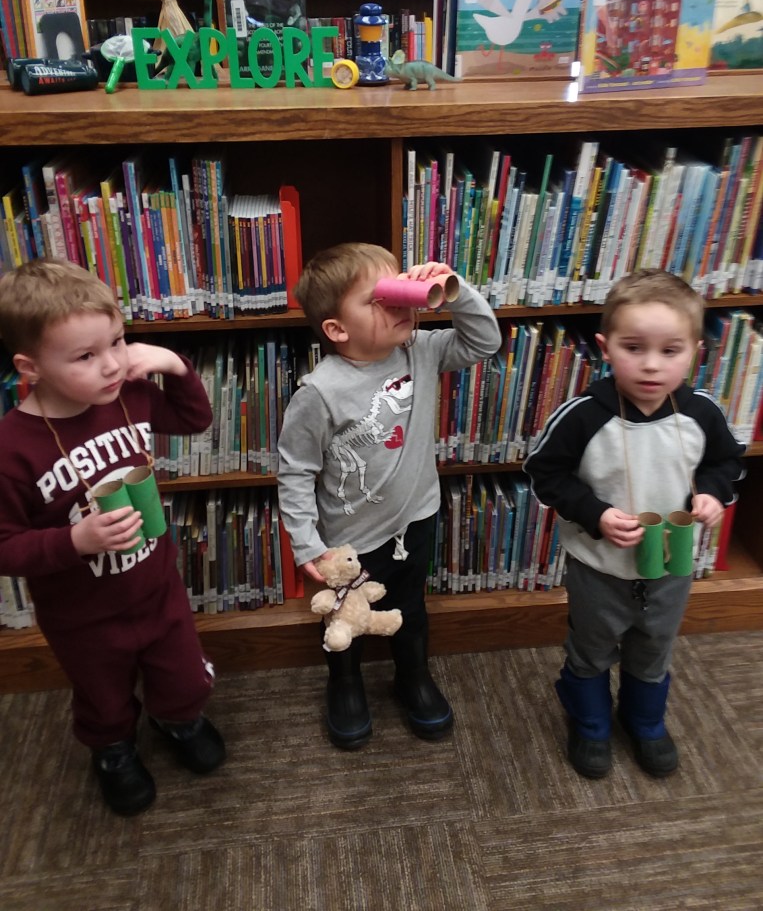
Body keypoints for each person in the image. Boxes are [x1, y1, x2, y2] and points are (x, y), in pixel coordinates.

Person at [0, 259, 225, 816]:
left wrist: (174, 365)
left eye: (118, 342)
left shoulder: (129, 395)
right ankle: (113, 750)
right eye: (85, 356)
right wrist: (73, 541)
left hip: (157, 587)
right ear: (30, 367)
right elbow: (5, 546)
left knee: (182, 678)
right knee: (102, 698)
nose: (111, 365)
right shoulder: (11, 448)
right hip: (83, 615)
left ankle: (178, 720)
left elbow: (194, 420)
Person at [277, 243, 501, 749]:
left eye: (398, 289)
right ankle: (345, 683)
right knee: (342, 616)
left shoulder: (421, 349)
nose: (398, 304)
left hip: (415, 519)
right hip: (349, 539)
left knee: (409, 606)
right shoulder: (320, 391)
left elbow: (485, 341)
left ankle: (412, 675)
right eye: (378, 299)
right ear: (337, 329)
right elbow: (295, 471)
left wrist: (455, 290)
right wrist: (306, 542)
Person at [524, 270, 745, 780]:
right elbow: (544, 473)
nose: (651, 364)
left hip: (670, 568)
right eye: (633, 348)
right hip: (599, 567)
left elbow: (726, 463)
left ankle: (644, 721)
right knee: (591, 649)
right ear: (605, 348)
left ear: (695, 352)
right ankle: (591, 723)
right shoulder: (583, 415)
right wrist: (596, 513)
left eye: (670, 351)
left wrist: (712, 493)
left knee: (654, 648)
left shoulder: (701, 413)